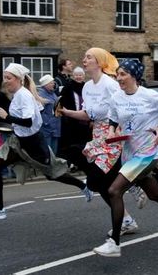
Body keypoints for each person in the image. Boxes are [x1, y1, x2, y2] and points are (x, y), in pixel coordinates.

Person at [92, 59, 158, 257]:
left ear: (134, 76)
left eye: (123, 74)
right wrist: (112, 131)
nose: (119, 78)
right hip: (129, 153)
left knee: (114, 190)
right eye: (117, 74)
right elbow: (113, 117)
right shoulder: (116, 97)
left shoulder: (150, 96)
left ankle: (114, 242)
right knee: (155, 194)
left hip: (148, 154)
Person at [0, 63, 93, 220]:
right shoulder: (19, 94)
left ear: (18, 79)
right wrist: (11, 124)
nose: (5, 81)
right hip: (17, 141)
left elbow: (29, 122)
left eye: (8, 78)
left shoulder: (24, 95)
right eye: (4, 77)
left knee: (53, 174)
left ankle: (84, 186)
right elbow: (32, 115)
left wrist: (7, 117)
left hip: (34, 145)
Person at [59, 48, 141, 235]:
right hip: (97, 133)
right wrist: (67, 112)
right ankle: (127, 218)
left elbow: (123, 108)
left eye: (89, 57)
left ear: (99, 61)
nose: (84, 59)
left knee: (96, 180)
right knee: (101, 184)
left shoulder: (110, 84)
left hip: (113, 134)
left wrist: (120, 130)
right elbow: (87, 114)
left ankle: (133, 182)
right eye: (85, 56)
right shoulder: (87, 87)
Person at [37, 74, 61, 154]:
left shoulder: (52, 93)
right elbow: (39, 112)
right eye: (51, 82)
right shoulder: (40, 95)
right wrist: (47, 122)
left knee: (54, 152)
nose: (53, 84)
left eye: (53, 82)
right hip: (46, 129)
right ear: (45, 84)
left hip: (55, 128)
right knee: (47, 152)